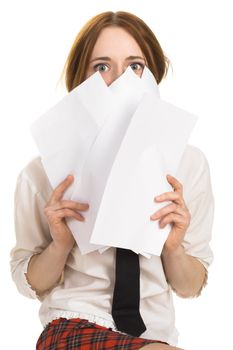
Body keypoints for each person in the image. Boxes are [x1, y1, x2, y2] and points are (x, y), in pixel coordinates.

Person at [10, 11, 214, 350]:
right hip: (73, 325)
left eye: (135, 66)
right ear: (80, 78)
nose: (122, 82)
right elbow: (29, 283)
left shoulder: (189, 164)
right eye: (102, 67)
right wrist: (60, 243)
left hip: (156, 337)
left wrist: (173, 247)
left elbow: (190, 288)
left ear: (154, 75)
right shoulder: (41, 172)